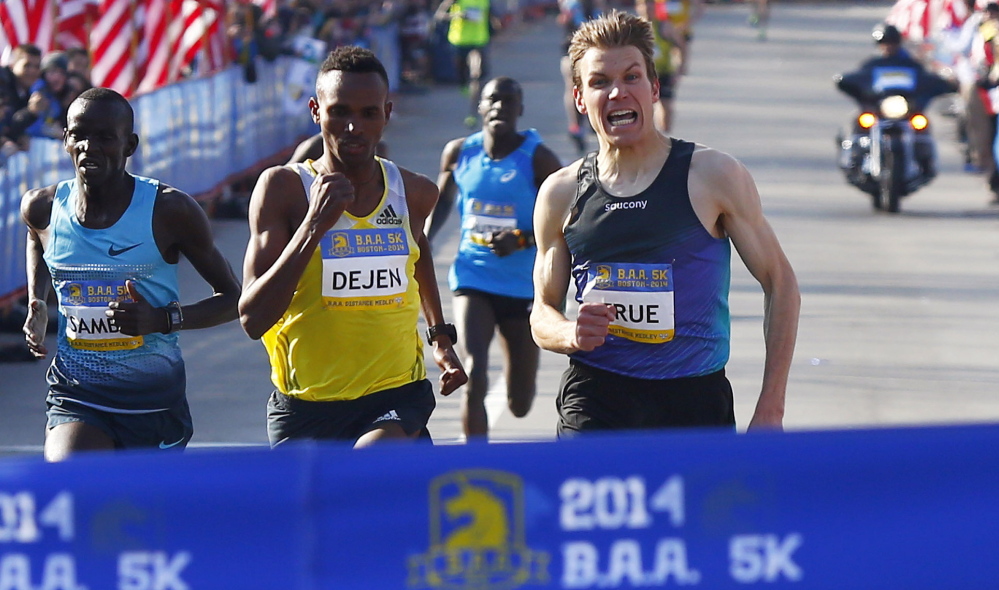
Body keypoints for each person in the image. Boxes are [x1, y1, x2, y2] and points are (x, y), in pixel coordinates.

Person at [531, 11, 800, 436]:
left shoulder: (712, 175)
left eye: (632, 77)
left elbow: (780, 283)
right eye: (600, 82)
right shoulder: (561, 193)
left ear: (654, 88)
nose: (618, 92)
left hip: (692, 396)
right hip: (596, 395)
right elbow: (541, 311)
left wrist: (771, 408)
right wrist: (568, 332)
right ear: (580, 98)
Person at [239, 46, 467, 448]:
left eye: (368, 113)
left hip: (394, 394)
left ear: (387, 113)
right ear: (315, 111)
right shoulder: (283, 190)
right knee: (320, 510)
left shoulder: (413, 192)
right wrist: (313, 226)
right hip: (306, 404)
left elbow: (418, 252)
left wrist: (440, 338)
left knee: (370, 467)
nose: (353, 127)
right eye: (339, 111)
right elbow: (253, 319)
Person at [20, 88, 241, 461]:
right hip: (78, 393)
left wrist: (162, 319)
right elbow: (37, 241)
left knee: (145, 513)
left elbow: (234, 299)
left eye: (105, 137)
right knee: (72, 485)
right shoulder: (42, 207)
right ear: (66, 141)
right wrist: (37, 300)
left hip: (153, 402)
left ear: (129, 144)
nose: (89, 146)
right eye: (79, 135)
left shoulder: (170, 210)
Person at [426, 76, 561, 439]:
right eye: (492, 100)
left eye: (508, 101)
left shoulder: (539, 158)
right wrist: (419, 242)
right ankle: (477, 462)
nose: (499, 107)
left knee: (520, 402)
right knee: (475, 371)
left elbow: (571, 216)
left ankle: (518, 368)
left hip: (522, 287)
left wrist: (521, 238)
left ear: (520, 110)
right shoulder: (459, 153)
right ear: (480, 107)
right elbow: (439, 206)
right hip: (473, 278)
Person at [435, 0, 494, 128]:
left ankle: (472, 113)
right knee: (462, 73)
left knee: (476, 76)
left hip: (479, 41)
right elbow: (439, 15)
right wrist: (458, 15)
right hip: (459, 41)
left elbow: (491, 17)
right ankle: (463, 84)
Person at [559, 0, 603, 154]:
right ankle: (576, 126)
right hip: (573, 54)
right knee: (573, 87)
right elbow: (568, 22)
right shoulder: (572, 6)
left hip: (593, 55)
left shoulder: (596, 7)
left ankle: (589, 121)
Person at [636, 0, 678, 132]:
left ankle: (665, 136)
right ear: (638, 8)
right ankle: (651, 137)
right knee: (645, 107)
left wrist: (679, 67)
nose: (647, 8)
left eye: (650, 5)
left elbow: (679, 46)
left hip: (663, 71)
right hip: (643, 74)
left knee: (666, 106)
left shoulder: (664, 26)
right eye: (643, 5)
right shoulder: (633, 29)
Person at [0, 44, 47, 152]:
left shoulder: (24, 91)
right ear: (13, 65)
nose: (32, 71)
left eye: (37, 67)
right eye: (27, 65)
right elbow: (7, 127)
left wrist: (20, 136)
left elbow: (12, 128)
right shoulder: (2, 86)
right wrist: (31, 112)